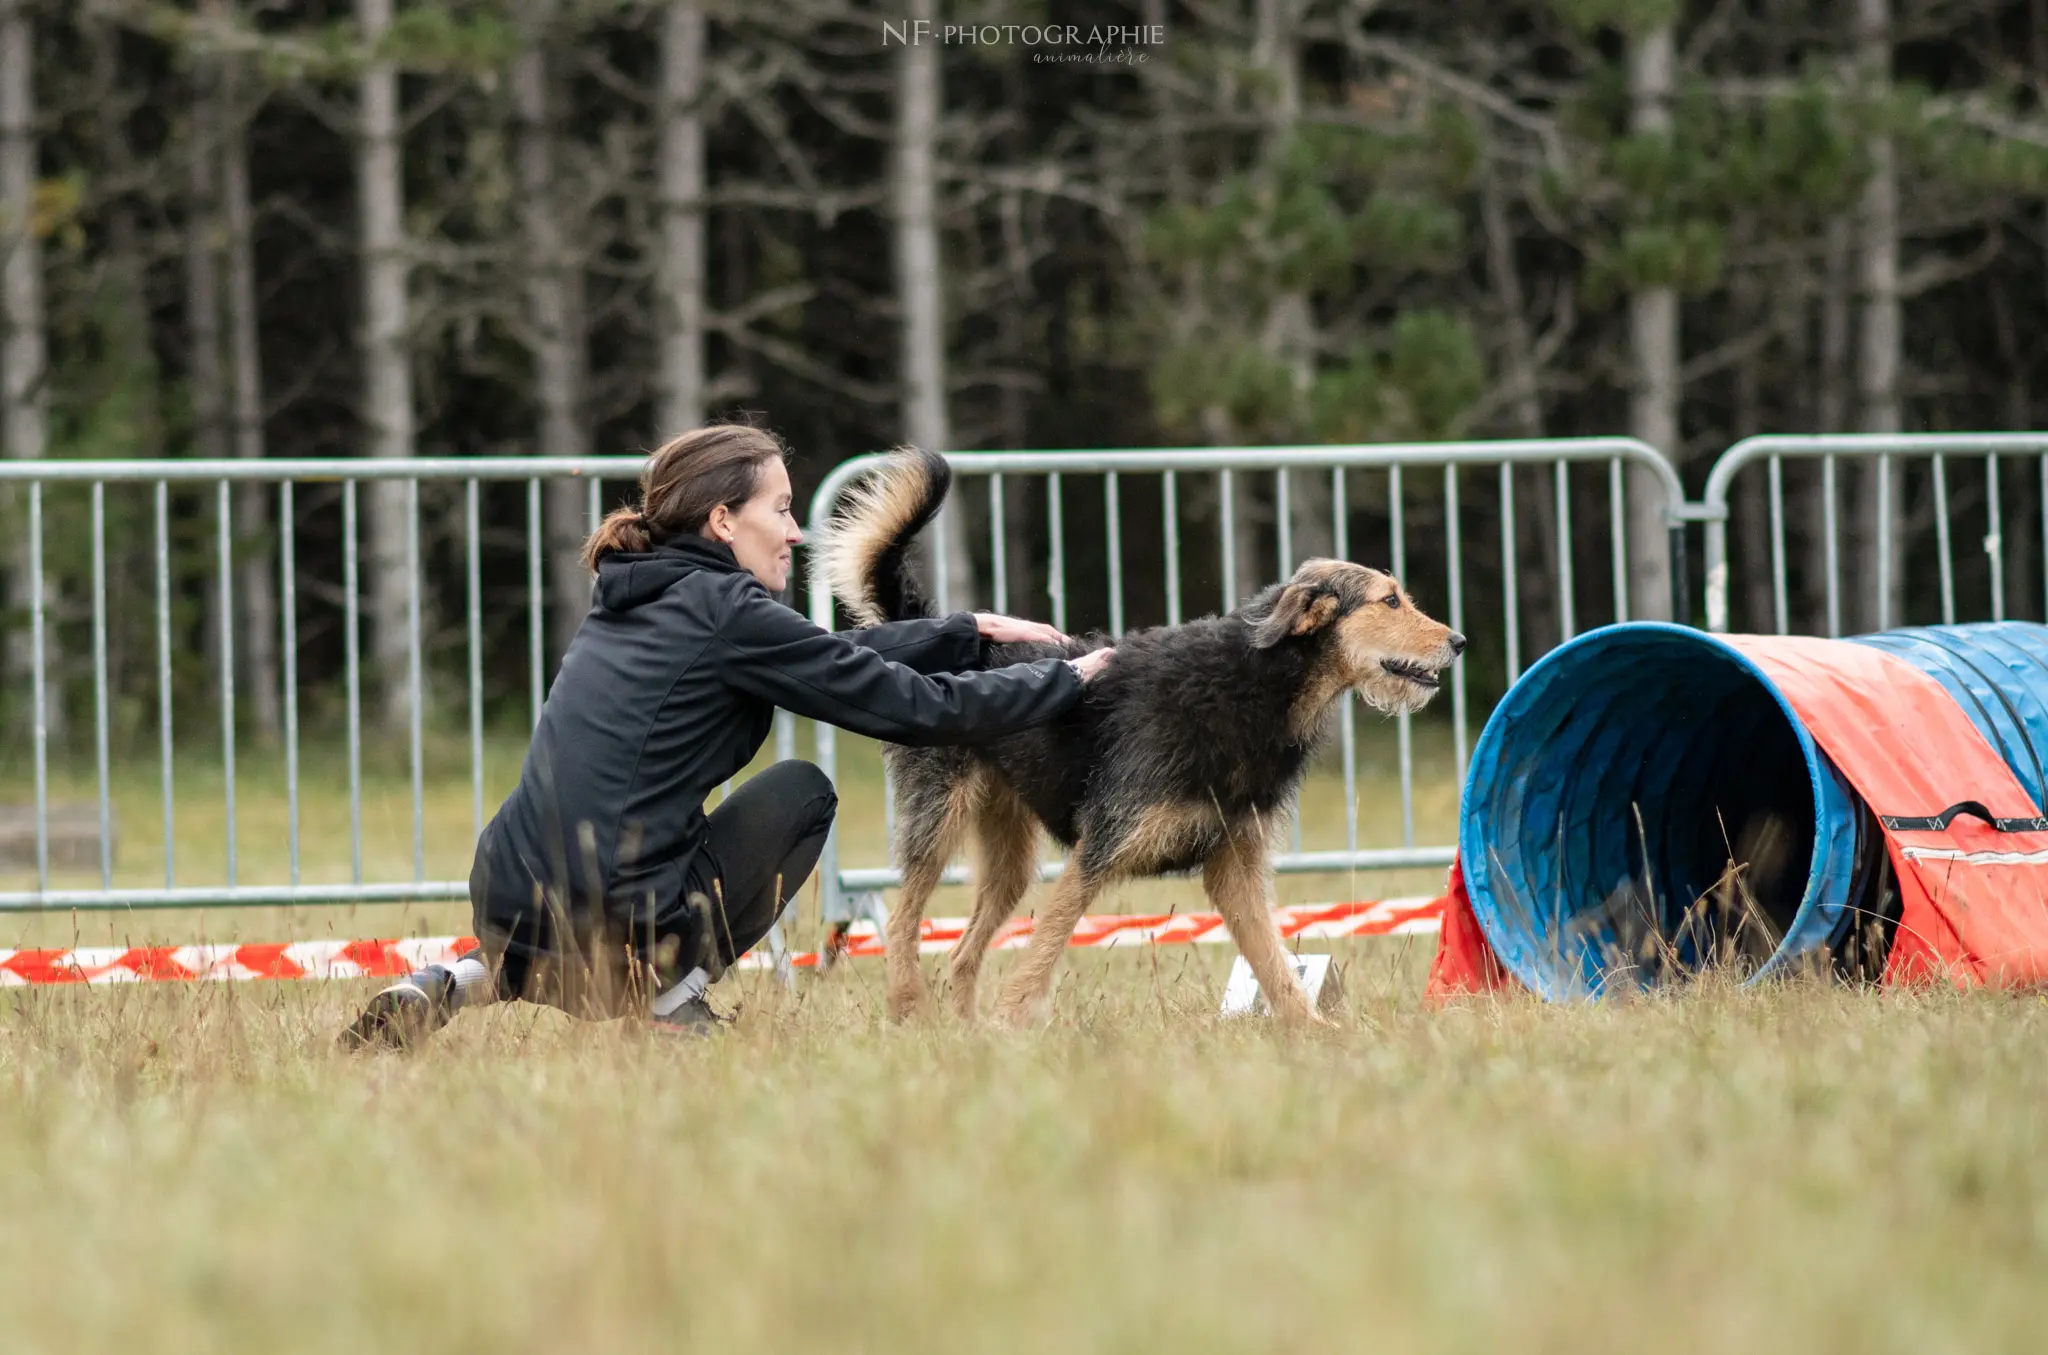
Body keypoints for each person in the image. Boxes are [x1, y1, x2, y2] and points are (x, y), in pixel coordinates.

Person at [340, 423, 1111, 1047]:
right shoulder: (728, 612)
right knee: (802, 794)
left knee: (569, 910)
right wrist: (1070, 677)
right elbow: (915, 708)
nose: (796, 533)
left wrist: (964, 629)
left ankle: (458, 979)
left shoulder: (637, 595)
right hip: (620, 917)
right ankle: (672, 1000)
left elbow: (831, 661)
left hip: (505, 892)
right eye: (780, 509)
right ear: (721, 520)